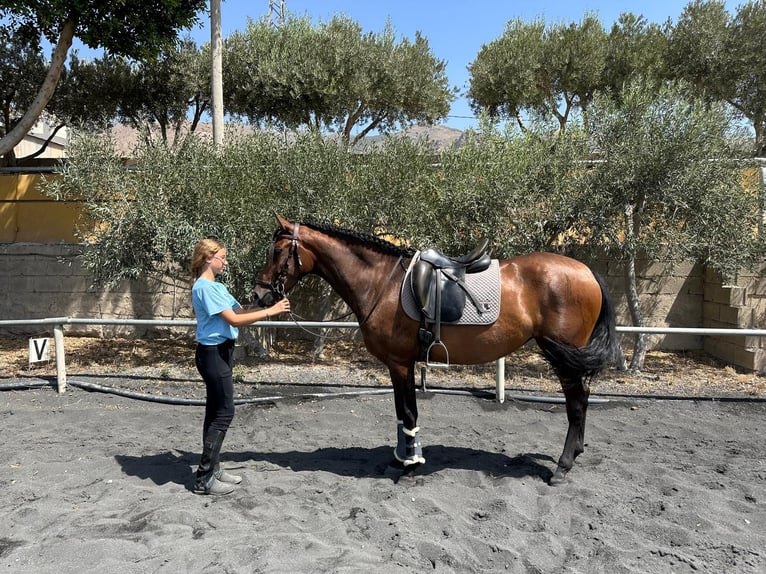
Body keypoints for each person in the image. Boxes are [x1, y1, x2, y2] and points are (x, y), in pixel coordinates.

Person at [190, 238, 290, 495]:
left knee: (215, 411)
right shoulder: (205, 288)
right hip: (211, 354)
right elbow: (235, 319)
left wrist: (269, 302)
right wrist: (271, 312)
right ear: (208, 258)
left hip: (222, 352)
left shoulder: (218, 287)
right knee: (224, 412)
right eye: (222, 257)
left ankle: (213, 469)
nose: (225, 261)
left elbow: (242, 310)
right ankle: (204, 479)